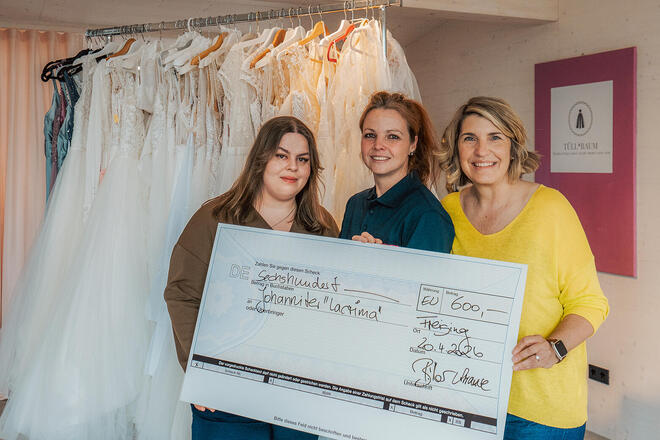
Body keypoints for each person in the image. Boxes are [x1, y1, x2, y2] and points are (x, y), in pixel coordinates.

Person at [439, 96, 609, 439]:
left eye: (495, 137)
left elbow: (591, 303)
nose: (482, 150)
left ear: (513, 146)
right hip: (467, 395)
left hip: (540, 410)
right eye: (470, 138)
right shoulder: (447, 210)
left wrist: (555, 348)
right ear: (456, 147)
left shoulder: (551, 208)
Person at [164, 116, 338, 440]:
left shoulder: (322, 226)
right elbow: (182, 295)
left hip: (298, 396)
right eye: (282, 155)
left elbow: (332, 308)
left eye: (303, 159)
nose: (293, 167)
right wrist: (200, 371)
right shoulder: (215, 218)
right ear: (261, 158)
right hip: (228, 391)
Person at [339, 91, 454, 252]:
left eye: (392, 136)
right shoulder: (355, 204)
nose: (378, 145)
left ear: (413, 144)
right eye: (370, 135)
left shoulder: (428, 216)